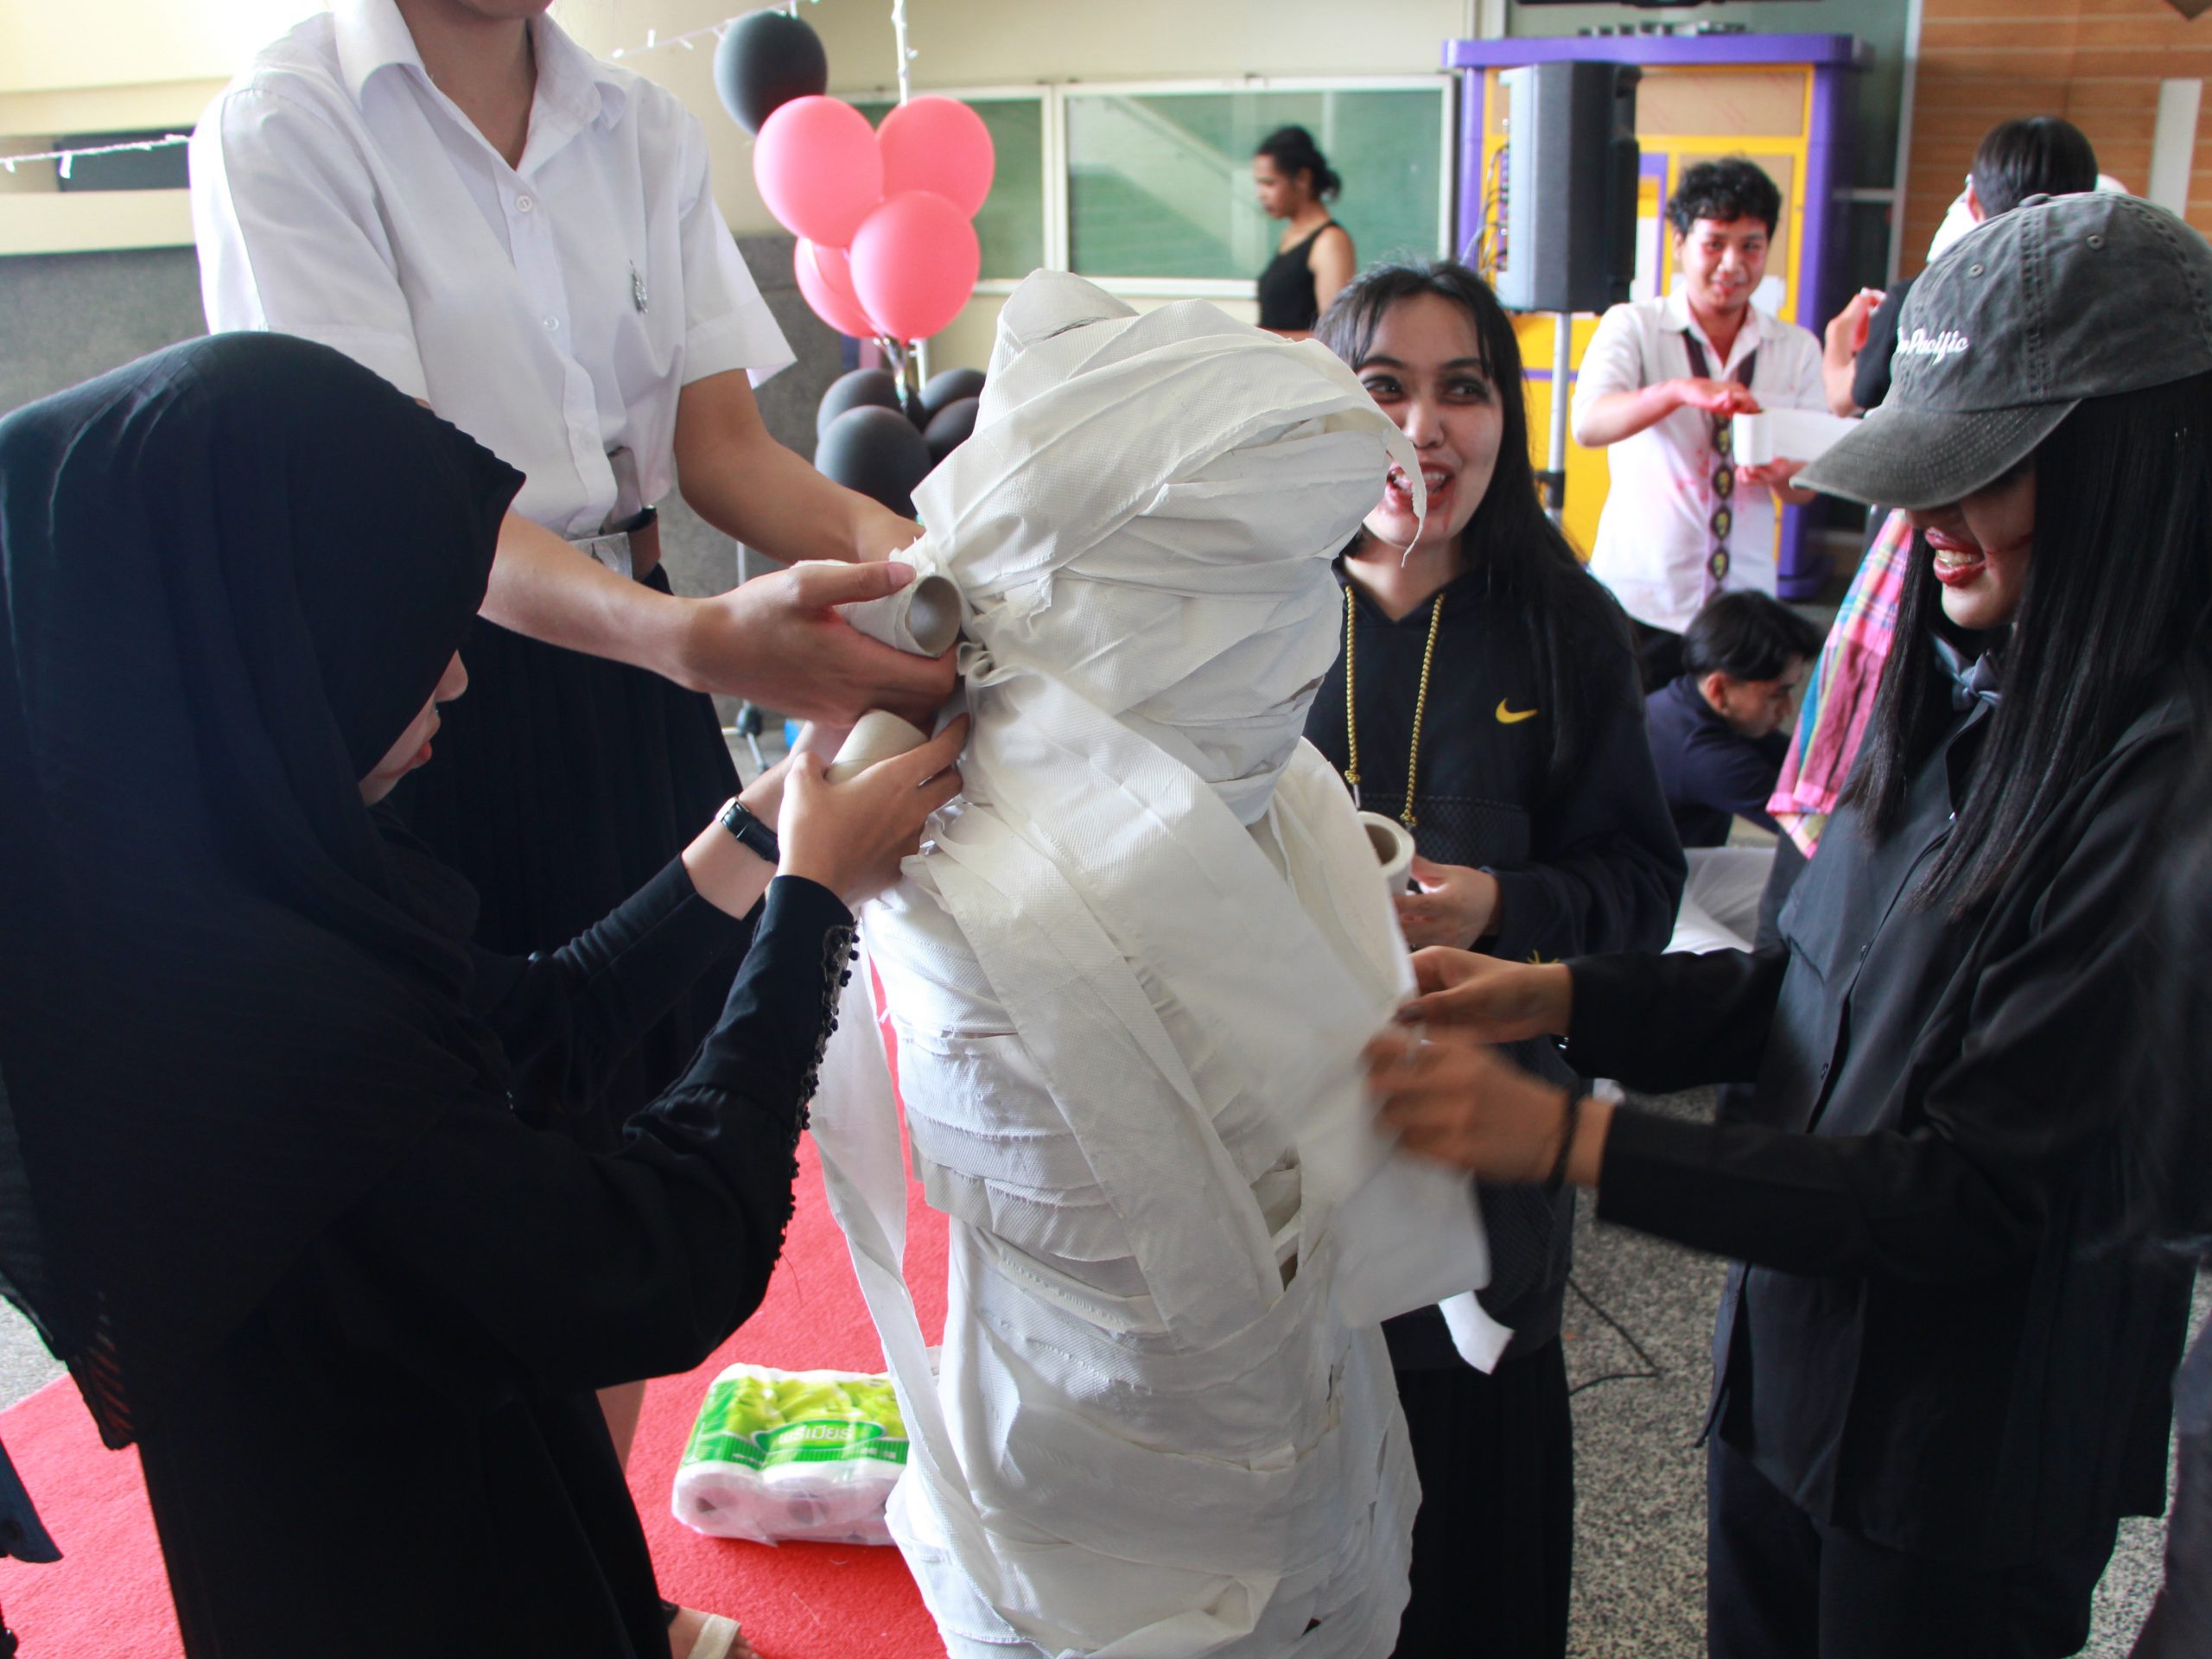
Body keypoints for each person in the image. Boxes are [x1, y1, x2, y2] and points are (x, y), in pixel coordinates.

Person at [0, 333, 964, 1659]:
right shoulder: (259, 1040)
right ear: (273, 646)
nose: (457, 675)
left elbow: (535, 1022)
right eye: (415, 632)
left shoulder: (208, 900)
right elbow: (655, 1260)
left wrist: (754, 836)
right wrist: (811, 904)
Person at [188, 5, 952, 1628]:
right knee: (489, 1152)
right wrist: (689, 640)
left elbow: (721, 453)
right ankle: (525, 1585)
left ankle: (587, 1573)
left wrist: (924, 557)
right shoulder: (291, 120)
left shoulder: (637, 123)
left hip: (642, 656)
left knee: (635, 1103)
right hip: (430, 684)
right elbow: (388, 501)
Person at [1367, 192, 2210, 1659]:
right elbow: (1802, 993)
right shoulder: (1964, 686)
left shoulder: (2168, 795)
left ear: (2132, 466)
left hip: (1960, 1463)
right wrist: (1554, 995)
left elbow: (1972, 1192)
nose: (1928, 526)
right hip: (1794, 1380)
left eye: (1980, 476)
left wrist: (1572, 1140)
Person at [809, 270, 1489, 1659]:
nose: (1291, 646)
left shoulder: (1245, 806)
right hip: (1113, 1451)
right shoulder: (974, 855)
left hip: (1196, 1444)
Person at [1308, 261, 1685, 1659]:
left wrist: (1503, 905)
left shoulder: (1564, 625)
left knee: (1470, 1566)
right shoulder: (1248, 611)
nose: (1423, 427)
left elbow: (1642, 890)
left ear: (1505, 419)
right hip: (1280, 1174)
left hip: (1481, 1177)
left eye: (1461, 389)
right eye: (1383, 387)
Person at [1572, 157, 1827, 690]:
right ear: (1679, 244)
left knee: (1730, 737)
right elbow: (1589, 424)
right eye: (1714, 244)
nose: (1732, 264)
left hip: (1743, 602)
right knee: (1632, 730)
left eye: (1751, 246)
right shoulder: (1634, 326)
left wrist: (1782, 473)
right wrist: (1675, 392)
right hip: (1642, 595)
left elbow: (1805, 490)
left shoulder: (1797, 348)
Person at [1822, 118, 2098, 418]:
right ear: (2088, 201)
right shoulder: (2110, 303)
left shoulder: (1918, 302)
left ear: (1973, 200)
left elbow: (1842, 398)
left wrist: (1836, 335)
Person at [1647, 591, 1821, 954]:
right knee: (1747, 977)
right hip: (1631, 899)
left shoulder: (1688, 703)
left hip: (1672, 870)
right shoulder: (1704, 756)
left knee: (1808, 881)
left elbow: (1802, 765)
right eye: (1778, 694)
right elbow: (1815, 828)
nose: (1787, 708)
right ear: (1720, 687)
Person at [1252, 124, 1356, 337]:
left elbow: (1334, 336)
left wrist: (1260, 337)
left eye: (1269, 183)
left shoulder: (1330, 242)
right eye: (1259, 184)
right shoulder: (1290, 235)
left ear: (1302, 179)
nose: (1261, 194)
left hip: (1297, 359)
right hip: (1273, 357)